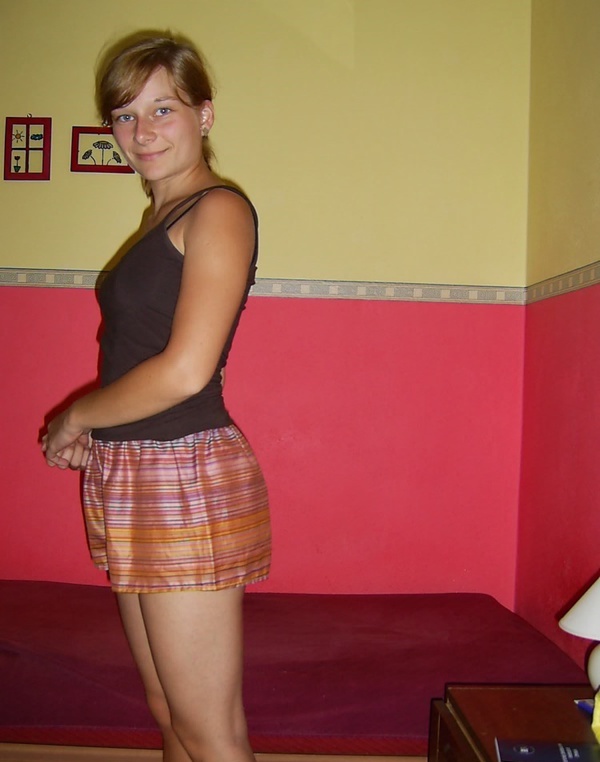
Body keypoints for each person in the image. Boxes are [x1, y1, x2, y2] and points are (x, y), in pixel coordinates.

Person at [41, 32, 271, 762]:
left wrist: (74, 415)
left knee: (208, 728)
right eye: (125, 115)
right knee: (169, 712)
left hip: (183, 473)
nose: (142, 132)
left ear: (205, 114)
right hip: (137, 468)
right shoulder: (160, 218)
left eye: (163, 109)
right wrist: (99, 428)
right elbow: (138, 356)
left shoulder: (218, 209)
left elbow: (184, 371)